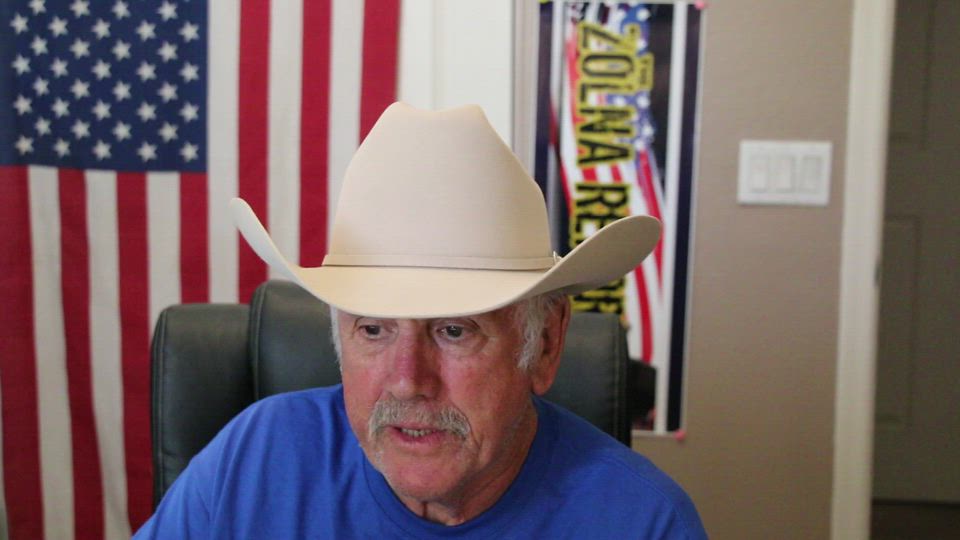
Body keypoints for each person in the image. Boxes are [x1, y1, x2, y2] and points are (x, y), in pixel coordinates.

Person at [135, 103, 707, 538]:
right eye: (373, 329)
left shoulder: (644, 522)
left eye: (453, 330)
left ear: (547, 343)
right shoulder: (252, 459)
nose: (408, 380)